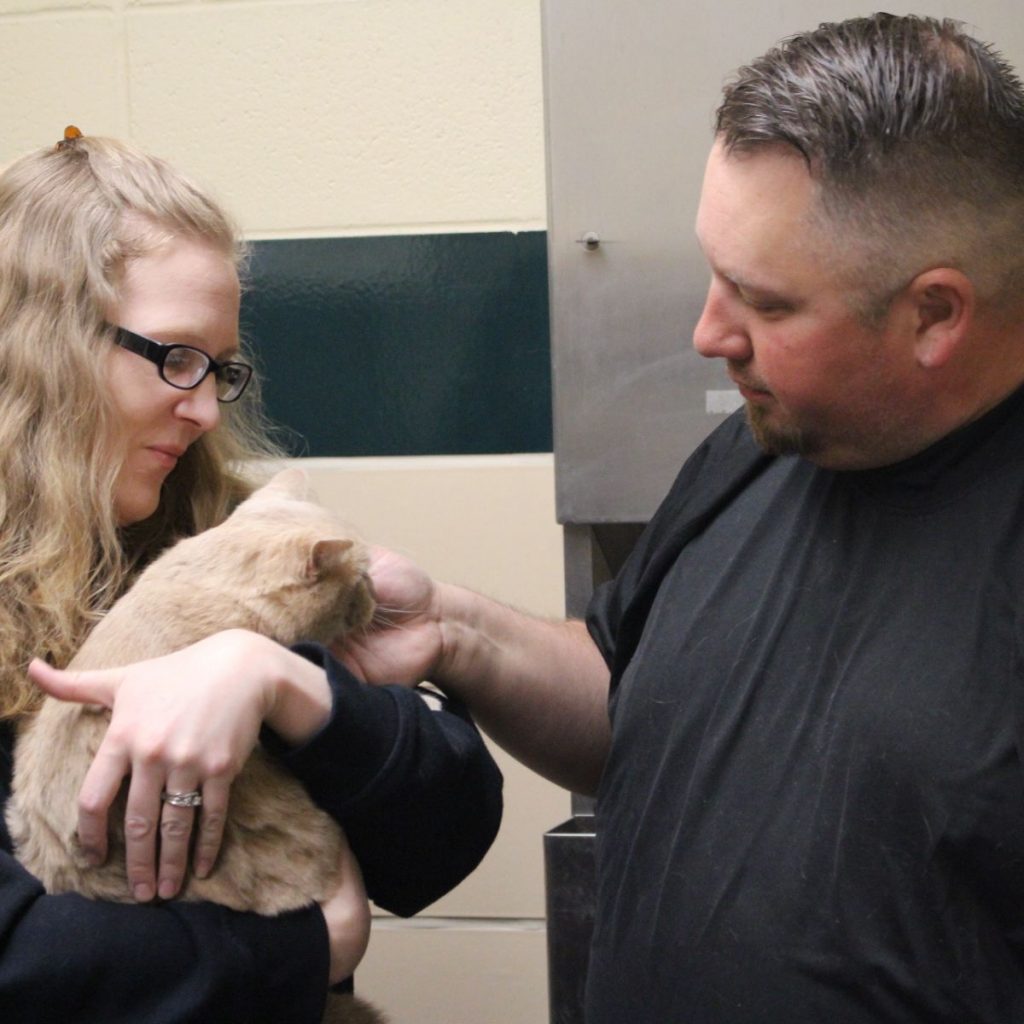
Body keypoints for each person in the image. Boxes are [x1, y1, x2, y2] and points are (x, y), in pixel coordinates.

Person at [331, 12, 1024, 1023]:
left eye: (764, 303)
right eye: (713, 272)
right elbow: (629, 699)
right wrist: (452, 628)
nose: (707, 332)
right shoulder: (763, 444)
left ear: (934, 314)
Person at [0, 129, 502, 1022]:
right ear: (45, 347)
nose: (201, 407)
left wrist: (282, 682)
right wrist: (309, 946)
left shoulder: (223, 532)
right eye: (174, 357)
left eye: (219, 367)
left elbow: (446, 829)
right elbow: (26, 966)